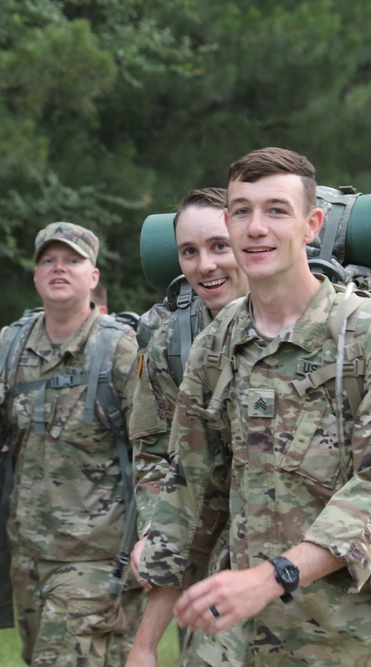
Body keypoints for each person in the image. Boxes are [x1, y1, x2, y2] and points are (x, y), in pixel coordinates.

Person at [130, 147, 371, 666]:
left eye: (276, 210)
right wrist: (144, 644)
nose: (256, 228)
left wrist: (272, 578)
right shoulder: (215, 347)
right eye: (242, 211)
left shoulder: (365, 340)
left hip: (357, 640)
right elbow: (190, 496)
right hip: (241, 640)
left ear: (311, 224)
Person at [0, 222, 143, 666]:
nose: (59, 268)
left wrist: (154, 539)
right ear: (36, 275)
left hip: (101, 559)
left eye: (73, 260)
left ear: (93, 277)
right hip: (27, 559)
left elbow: (156, 455)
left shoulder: (122, 352)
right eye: (48, 260)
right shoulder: (3, 353)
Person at [124, 187, 248, 661]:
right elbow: (156, 455)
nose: (206, 265)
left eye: (219, 246)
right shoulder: (170, 341)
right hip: (209, 551)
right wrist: (155, 534)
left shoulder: (304, 325)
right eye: (189, 252)